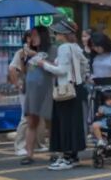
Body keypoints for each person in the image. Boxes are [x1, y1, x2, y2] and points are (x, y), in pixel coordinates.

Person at [36, 20, 87, 170]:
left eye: (57, 32)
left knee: (64, 123)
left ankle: (66, 157)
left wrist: (43, 64)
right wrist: (79, 78)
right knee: (73, 123)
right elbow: (84, 65)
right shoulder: (76, 47)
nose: (55, 34)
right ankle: (72, 156)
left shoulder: (64, 48)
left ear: (63, 34)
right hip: (76, 88)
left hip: (64, 90)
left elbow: (62, 71)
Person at [18, 26, 55, 165]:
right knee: (31, 121)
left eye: (34, 35)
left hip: (47, 89)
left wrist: (36, 56)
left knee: (50, 121)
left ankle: (54, 152)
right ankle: (29, 154)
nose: (32, 39)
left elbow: (54, 67)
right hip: (31, 90)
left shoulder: (52, 50)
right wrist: (24, 59)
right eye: (30, 36)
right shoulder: (28, 52)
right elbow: (25, 71)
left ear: (42, 36)